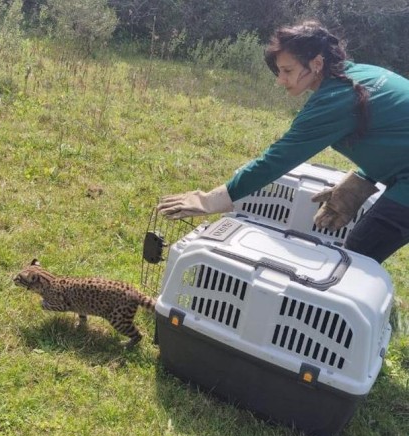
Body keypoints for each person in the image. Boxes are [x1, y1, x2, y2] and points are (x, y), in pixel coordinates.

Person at [156, 20, 409, 264]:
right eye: (279, 71)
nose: (280, 80)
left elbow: (278, 159)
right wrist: (363, 179)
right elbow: (392, 134)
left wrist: (210, 200)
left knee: (355, 258)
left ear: (317, 63)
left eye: (288, 71)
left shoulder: (336, 99)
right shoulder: (359, 74)